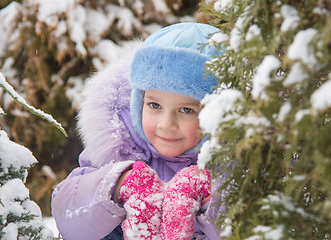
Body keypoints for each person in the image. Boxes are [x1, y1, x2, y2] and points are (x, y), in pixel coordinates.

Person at [51, 22, 224, 240]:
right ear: (138, 102)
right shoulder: (119, 146)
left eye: (186, 109)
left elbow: (255, 228)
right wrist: (117, 185)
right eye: (154, 105)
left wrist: (209, 196)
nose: (166, 124)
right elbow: (67, 219)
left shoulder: (235, 168)